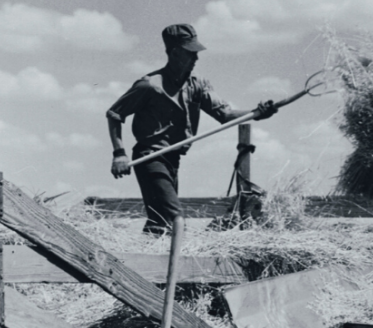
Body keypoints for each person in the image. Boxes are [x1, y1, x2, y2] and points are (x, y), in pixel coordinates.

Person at [107, 23, 277, 235]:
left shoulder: (197, 85)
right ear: (175, 52)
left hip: (173, 160)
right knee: (175, 218)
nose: (196, 58)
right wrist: (119, 154)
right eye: (190, 53)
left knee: (160, 222)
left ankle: (146, 261)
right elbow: (114, 114)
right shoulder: (149, 85)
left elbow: (224, 115)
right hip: (150, 158)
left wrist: (258, 113)